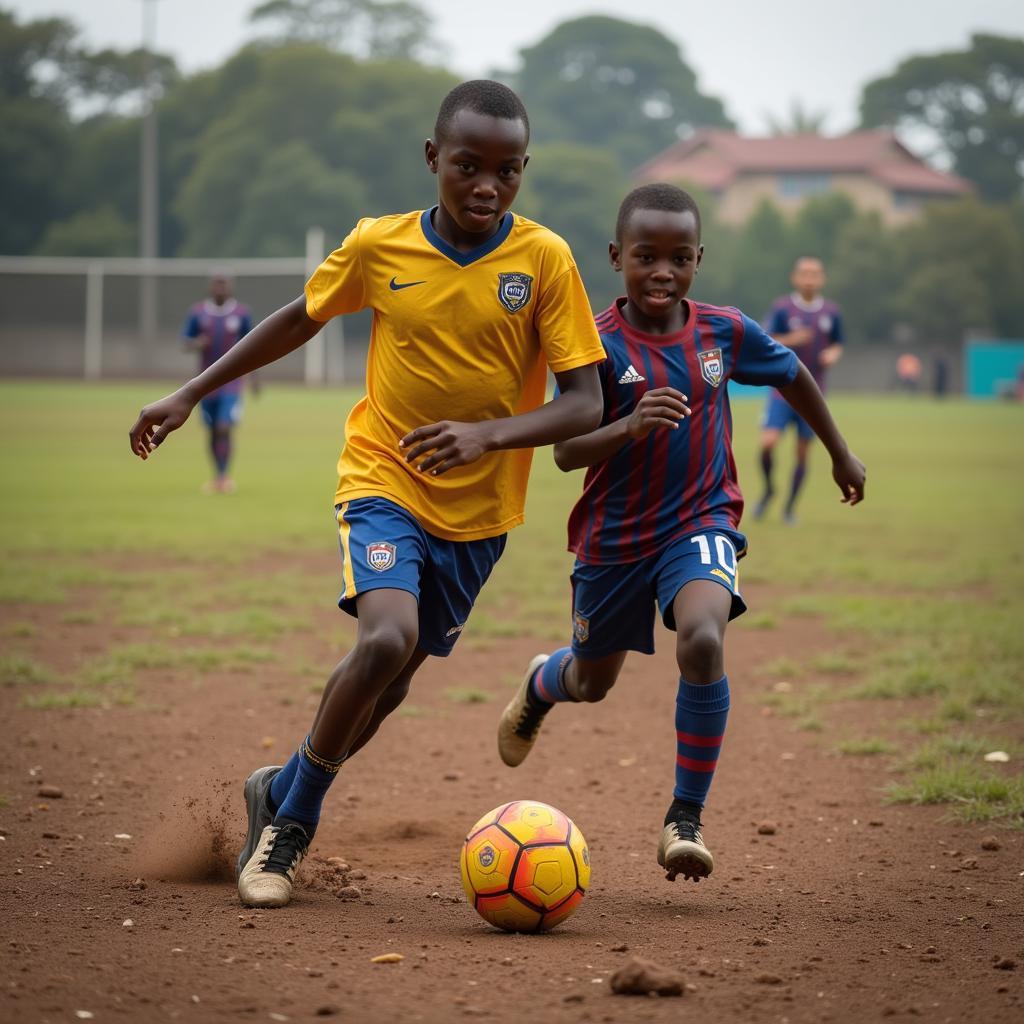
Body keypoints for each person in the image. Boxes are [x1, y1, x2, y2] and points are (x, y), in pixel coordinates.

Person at [128, 81, 605, 909]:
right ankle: (291, 828)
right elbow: (298, 318)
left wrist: (487, 434)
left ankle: (275, 787)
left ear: (524, 171)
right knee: (385, 640)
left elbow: (586, 401)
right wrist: (192, 392)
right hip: (382, 476)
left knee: (393, 683)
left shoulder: (545, 260)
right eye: (467, 165)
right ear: (432, 158)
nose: (486, 185)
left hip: (482, 513)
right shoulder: (379, 246)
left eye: (507, 171)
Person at [496, 185, 865, 885]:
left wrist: (840, 452)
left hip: (702, 521)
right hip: (613, 540)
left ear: (698, 259)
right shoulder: (595, 341)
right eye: (645, 256)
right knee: (591, 680)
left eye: (677, 257)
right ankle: (543, 686)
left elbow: (793, 374)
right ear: (615, 258)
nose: (662, 270)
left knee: (702, 636)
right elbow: (566, 454)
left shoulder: (724, 331)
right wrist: (628, 425)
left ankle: (684, 819)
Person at [754, 257, 844, 523]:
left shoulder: (831, 312)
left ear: (822, 279)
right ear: (795, 277)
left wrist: (833, 355)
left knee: (803, 452)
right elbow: (764, 339)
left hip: (813, 395)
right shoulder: (782, 308)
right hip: (781, 392)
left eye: (815, 274)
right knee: (768, 443)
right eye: (804, 273)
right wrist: (792, 339)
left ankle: (789, 508)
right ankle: (769, 490)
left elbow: (838, 343)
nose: (809, 279)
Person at [182, 271, 253, 493]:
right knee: (212, 429)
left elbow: (255, 346)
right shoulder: (198, 313)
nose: (220, 288)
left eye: (224, 285)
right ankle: (217, 476)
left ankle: (224, 477)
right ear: (210, 288)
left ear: (230, 288)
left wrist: (256, 378)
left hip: (232, 383)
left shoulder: (241, 314)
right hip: (205, 382)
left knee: (224, 427)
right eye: (217, 284)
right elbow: (185, 342)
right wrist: (197, 343)